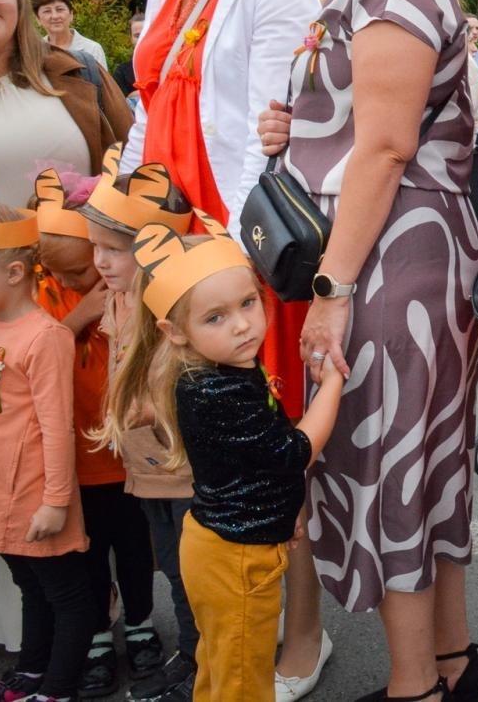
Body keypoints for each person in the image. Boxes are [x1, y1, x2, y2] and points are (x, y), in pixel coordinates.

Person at [263, 0, 478, 702]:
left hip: (392, 254)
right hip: (402, 247)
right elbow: (364, 122)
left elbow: (387, 146)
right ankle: (451, 666)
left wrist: (332, 291)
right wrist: (298, 126)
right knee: (421, 468)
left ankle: (412, 689)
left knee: (393, 465)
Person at [126, 0, 328, 700]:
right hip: (168, 246)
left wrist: (235, 264)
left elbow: (266, 126)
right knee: (196, 455)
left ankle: (304, 639)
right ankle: (226, 636)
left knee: (269, 459)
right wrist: (122, 231)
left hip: (231, 248)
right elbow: (144, 116)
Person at [0, 0, 130, 651]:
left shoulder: (73, 72)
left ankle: (114, 617)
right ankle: (26, 635)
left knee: (96, 457)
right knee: (0, 460)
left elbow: (128, 163)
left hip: (88, 298)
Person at [125, 215, 345, 702]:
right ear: (174, 331)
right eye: (215, 317)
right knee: (243, 684)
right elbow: (291, 453)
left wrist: (278, 513)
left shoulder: (224, 366)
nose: (243, 324)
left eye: (247, 302)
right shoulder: (217, 389)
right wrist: (331, 386)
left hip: (228, 545)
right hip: (235, 561)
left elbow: (253, 466)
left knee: (222, 671)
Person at [0, 183, 93, 702]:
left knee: (68, 596)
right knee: (30, 587)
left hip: (33, 498)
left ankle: (57, 689)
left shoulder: (44, 337)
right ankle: (30, 674)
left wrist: (55, 502)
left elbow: (56, 426)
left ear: (12, 274)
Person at [33, 169, 162, 697]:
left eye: (77, 271)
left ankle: (141, 625)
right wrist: (80, 310)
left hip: (126, 454)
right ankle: (97, 639)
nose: (67, 282)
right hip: (78, 457)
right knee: (88, 556)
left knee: (135, 547)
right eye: (56, 273)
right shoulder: (51, 294)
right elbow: (36, 351)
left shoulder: (127, 289)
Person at [84, 148, 201, 702]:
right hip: (144, 468)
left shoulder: (170, 307)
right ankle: (192, 655)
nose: (100, 262)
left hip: (180, 471)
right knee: (172, 572)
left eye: (114, 249)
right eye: (95, 248)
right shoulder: (117, 299)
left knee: (191, 574)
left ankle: (205, 664)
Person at [32, 0, 108, 69]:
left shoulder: (92, 49)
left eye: (59, 9)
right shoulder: (34, 52)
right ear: (38, 19)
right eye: (47, 11)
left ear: (71, 15)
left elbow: (102, 82)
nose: (55, 16)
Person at [113, 12, 145, 100]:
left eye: (145, 33)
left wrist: (134, 94)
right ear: (130, 38)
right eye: (137, 35)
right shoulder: (121, 72)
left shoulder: (165, 67)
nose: (142, 38)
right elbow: (119, 102)